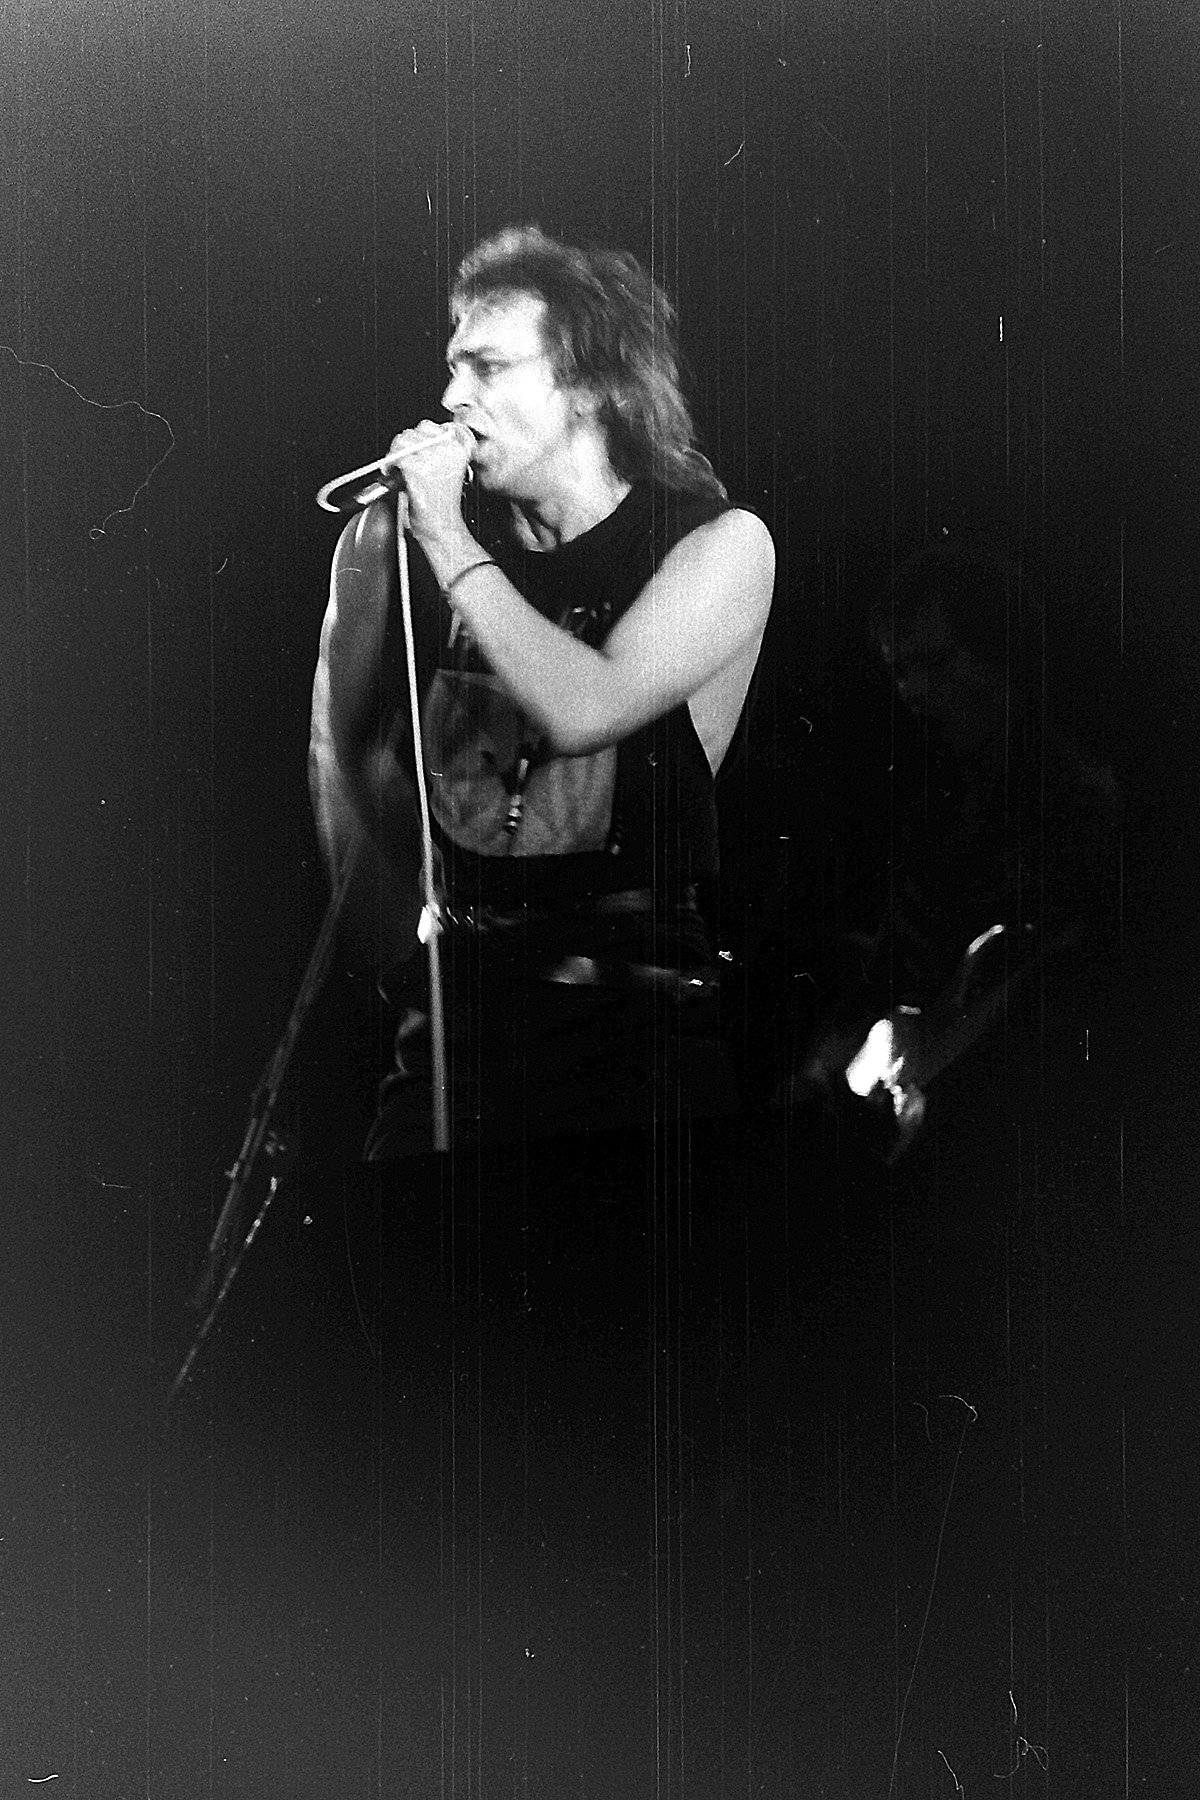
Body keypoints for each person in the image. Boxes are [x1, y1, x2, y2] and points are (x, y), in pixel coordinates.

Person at [309, 224, 775, 1159]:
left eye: (488, 367)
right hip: (456, 1031)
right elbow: (341, 753)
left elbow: (588, 709)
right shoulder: (388, 541)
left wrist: (448, 538)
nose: (452, 397)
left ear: (595, 384)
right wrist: (405, 962)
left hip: (636, 1036)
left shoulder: (717, 546)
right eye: (453, 366)